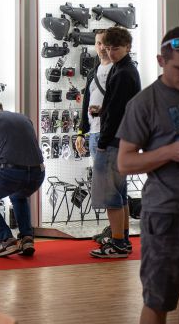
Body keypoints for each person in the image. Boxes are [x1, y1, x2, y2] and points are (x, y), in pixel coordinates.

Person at [117, 27, 179, 324]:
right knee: (158, 300)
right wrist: (168, 152)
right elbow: (125, 162)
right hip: (167, 215)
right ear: (161, 61)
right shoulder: (144, 103)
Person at [89, 27, 140, 258]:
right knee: (119, 193)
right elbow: (118, 107)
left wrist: (103, 141)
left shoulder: (123, 73)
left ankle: (118, 243)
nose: (110, 52)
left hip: (113, 140)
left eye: (116, 48)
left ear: (127, 47)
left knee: (111, 196)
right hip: (121, 139)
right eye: (108, 48)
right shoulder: (123, 69)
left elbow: (118, 112)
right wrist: (102, 112)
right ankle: (122, 240)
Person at [0, 100, 45, 257]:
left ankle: (6, 240)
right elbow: (23, 152)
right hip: (38, 173)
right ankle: (27, 239)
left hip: (13, 173)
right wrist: (1, 164)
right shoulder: (23, 118)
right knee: (18, 195)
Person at [75, 29, 113, 242]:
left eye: (105, 43)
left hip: (109, 136)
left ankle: (118, 235)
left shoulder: (118, 71)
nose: (101, 47)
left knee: (112, 187)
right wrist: (81, 132)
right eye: (98, 43)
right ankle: (115, 229)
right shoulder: (93, 72)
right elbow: (86, 104)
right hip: (94, 134)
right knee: (105, 186)